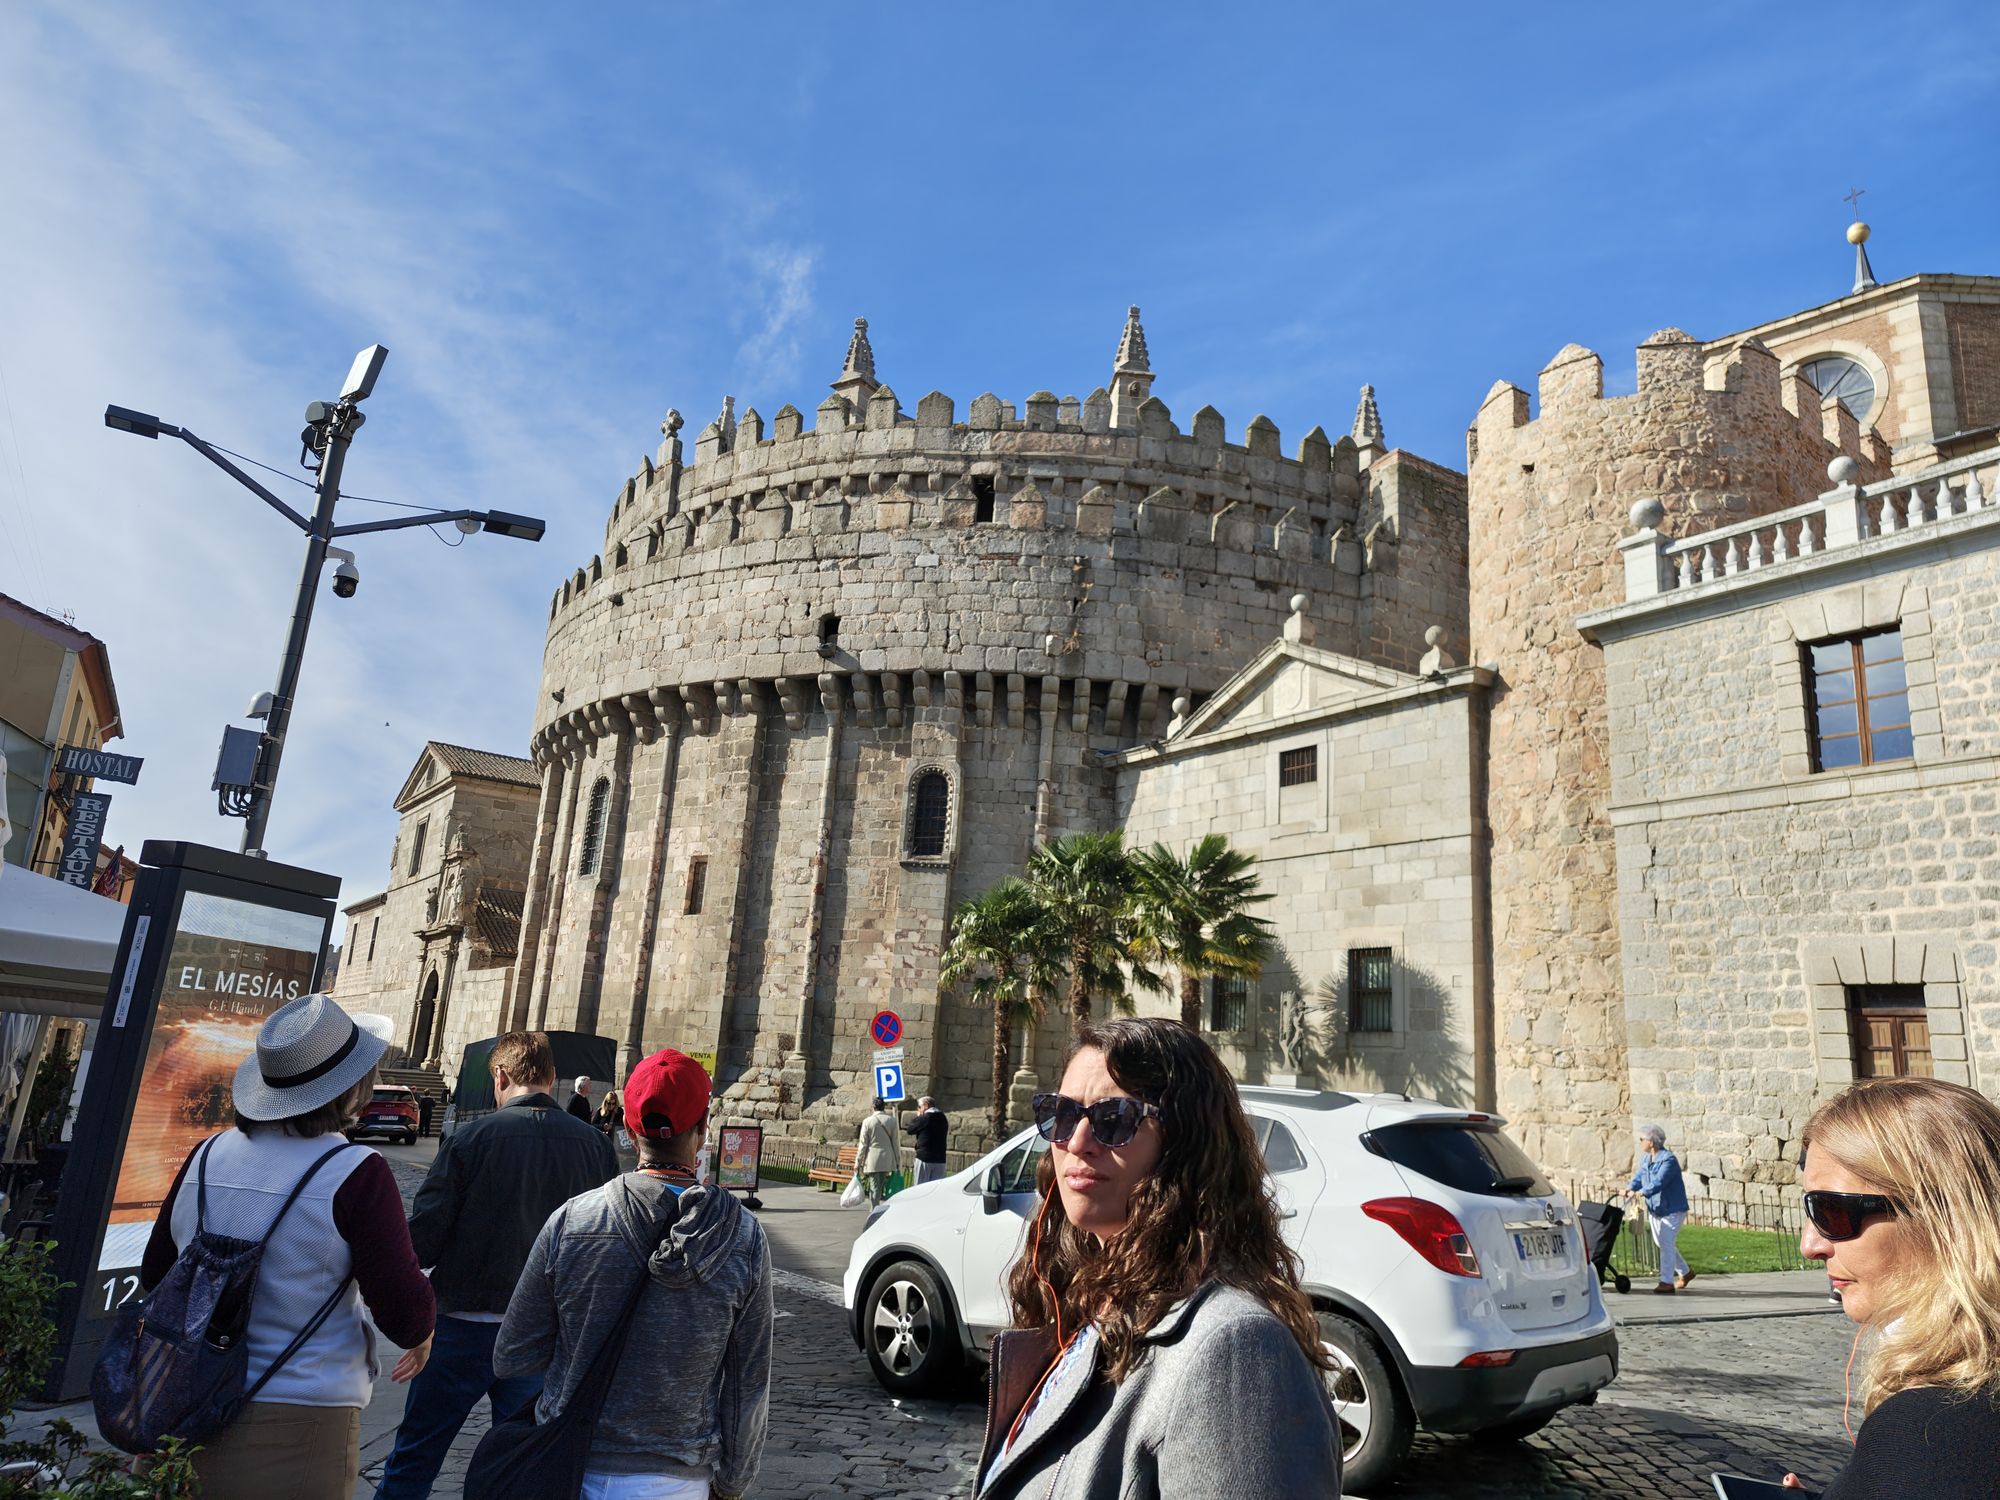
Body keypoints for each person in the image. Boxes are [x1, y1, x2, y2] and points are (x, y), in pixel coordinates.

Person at [976, 1017, 1341, 1499]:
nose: (1077, 1143)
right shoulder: (1094, 1307)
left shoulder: (1235, 1349)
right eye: (1061, 1115)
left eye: (1115, 1119)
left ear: (1186, 1143)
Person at [138, 994, 435, 1500]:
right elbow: (403, 1311)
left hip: (181, 1401)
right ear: (350, 1088)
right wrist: (423, 1332)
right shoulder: (355, 1172)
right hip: (298, 1414)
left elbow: (156, 1274)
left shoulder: (206, 1155)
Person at [495, 1048, 773, 1500]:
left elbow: (512, 1355)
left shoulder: (572, 1221)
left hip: (569, 1466)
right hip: (678, 1479)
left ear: (627, 1128)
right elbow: (750, 1382)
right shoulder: (742, 1236)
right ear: (703, 1130)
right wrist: (732, 1482)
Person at [376, 1032, 619, 1499]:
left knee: (414, 1458)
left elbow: (425, 1236)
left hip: (460, 1326)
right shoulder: (594, 1147)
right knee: (526, 1467)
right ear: (552, 1078)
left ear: (501, 1077)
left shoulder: (469, 1138)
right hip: (539, 1336)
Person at [1774, 1078, 2000, 1497]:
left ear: (1942, 1220)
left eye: (1831, 1211)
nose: (1810, 1246)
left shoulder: (1930, 1428)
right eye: (1809, 1209)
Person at [1621, 1122, 1692, 1294]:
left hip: (1672, 1209)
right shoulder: (1646, 1159)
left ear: (1651, 1142)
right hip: (1656, 1209)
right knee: (1661, 1243)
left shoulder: (1668, 1160)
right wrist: (1630, 1188)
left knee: (1666, 1243)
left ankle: (1666, 1282)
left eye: (1642, 1139)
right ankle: (1686, 1272)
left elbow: (1659, 1182)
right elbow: (1639, 1177)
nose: (1640, 1142)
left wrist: (1642, 1193)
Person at [856, 1097, 900, 1205]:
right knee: (880, 1185)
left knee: (874, 1186)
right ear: (884, 1106)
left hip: (873, 1158)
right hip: (887, 1157)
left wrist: (858, 1161)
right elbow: (895, 1142)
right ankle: (877, 1207)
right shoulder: (892, 1121)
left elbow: (863, 1144)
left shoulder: (867, 1121)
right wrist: (897, 1160)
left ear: (873, 1107)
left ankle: (874, 1208)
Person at [903, 1095, 950, 1184]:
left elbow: (910, 1130)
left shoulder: (925, 1117)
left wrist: (918, 1116)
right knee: (935, 1190)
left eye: (919, 1107)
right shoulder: (943, 1117)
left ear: (926, 1105)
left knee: (920, 1188)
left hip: (925, 1158)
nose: (919, 1109)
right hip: (940, 1159)